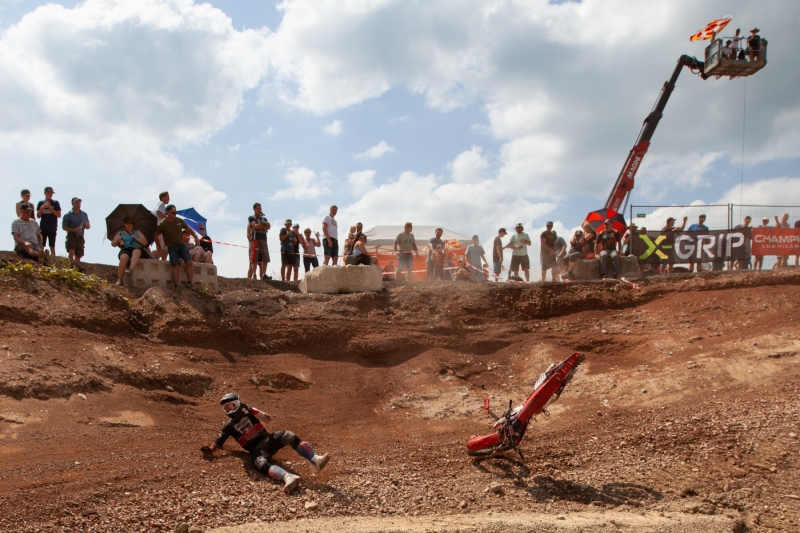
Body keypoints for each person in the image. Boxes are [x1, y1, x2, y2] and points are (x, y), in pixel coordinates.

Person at [201, 393, 330, 494]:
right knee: (259, 463)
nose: (230, 410)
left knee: (288, 435)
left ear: (239, 404)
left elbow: (267, 419)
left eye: (232, 406)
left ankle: (315, 460)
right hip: (257, 450)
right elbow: (219, 441)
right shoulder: (228, 427)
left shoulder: (249, 412)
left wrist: (249, 408)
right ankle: (288, 477)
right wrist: (210, 449)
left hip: (269, 439)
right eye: (226, 408)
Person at [153, 204, 200, 290]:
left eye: (175, 213)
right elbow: (156, 235)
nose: (175, 214)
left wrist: (196, 236)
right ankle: (176, 286)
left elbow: (188, 229)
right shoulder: (163, 224)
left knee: (190, 262)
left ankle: (190, 283)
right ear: (167, 212)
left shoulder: (179, 221)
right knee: (176, 265)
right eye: (173, 213)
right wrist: (159, 247)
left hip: (181, 246)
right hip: (171, 248)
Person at [111, 217, 148, 285]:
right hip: (125, 249)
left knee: (136, 251)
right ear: (125, 224)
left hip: (137, 248)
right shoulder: (120, 233)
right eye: (127, 223)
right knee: (123, 257)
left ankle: (130, 269)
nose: (129, 225)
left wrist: (136, 238)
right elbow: (113, 244)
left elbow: (145, 242)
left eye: (131, 223)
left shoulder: (137, 232)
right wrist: (117, 240)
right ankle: (120, 279)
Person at [61, 197, 90, 265]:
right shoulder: (68, 215)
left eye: (79, 203)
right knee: (71, 251)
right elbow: (64, 227)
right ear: (72, 204)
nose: (78, 204)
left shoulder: (84, 214)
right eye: (76, 203)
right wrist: (74, 229)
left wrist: (87, 225)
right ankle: (69, 265)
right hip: (71, 235)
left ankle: (76, 268)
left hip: (80, 236)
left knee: (78, 255)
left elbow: (88, 227)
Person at [36, 186, 61, 258]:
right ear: (45, 193)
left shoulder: (55, 203)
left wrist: (50, 207)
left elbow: (58, 215)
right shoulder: (41, 202)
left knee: (52, 246)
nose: (50, 194)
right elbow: (38, 215)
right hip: (43, 227)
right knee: (41, 245)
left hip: (52, 228)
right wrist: (42, 208)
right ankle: (41, 258)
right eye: (48, 193)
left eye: (51, 193)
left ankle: (53, 260)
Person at [248, 203, 270, 280]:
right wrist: (261, 226)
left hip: (264, 239)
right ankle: (254, 274)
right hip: (255, 239)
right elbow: (254, 226)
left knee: (265, 257)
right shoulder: (251, 217)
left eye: (260, 208)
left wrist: (259, 226)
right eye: (258, 208)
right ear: (254, 209)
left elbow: (268, 227)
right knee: (254, 258)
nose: (260, 210)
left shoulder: (264, 218)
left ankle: (264, 274)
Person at [152, 191, 169, 260]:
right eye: (167, 197)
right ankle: (153, 259)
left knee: (165, 250)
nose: (169, 199)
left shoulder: (159, 205)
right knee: (160, 250)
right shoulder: (161, 203)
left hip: (161, 231)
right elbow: (158, 212)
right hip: (160, 231)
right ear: (163, 197)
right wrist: (167, 219)